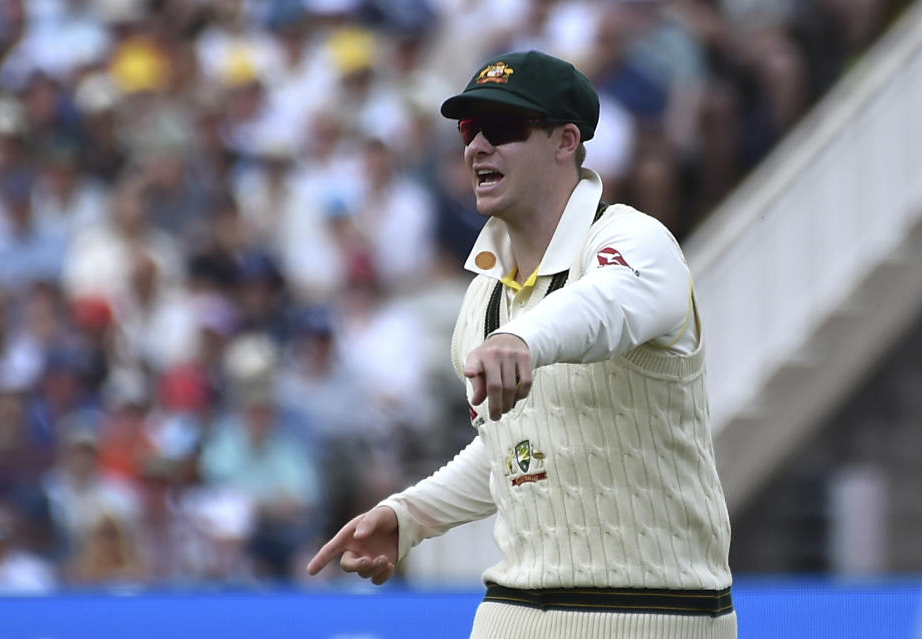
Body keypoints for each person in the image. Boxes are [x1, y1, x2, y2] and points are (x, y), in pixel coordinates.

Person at [307, 50, 736, 639]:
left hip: (656, 614)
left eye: (503, 129)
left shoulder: (635, 240)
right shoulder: (484, 295)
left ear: (566, 141)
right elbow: (513, 447)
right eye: (469, 129)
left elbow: (606, 306)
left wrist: (522, 337)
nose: (477, 147)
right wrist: (410, 516)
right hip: (511, 613)